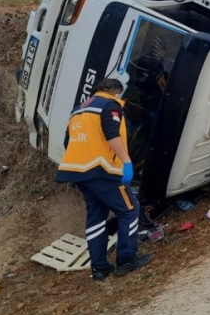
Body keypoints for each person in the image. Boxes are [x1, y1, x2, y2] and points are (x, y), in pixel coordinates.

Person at [56, 78, 154, 281]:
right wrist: (126, 161)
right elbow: (112, 134)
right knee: (129, 210)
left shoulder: (79, 110)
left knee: (96, 216)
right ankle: (126, 259)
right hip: (102, 170)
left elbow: (68, 141)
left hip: (78, 171)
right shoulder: (110, 105)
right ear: (116, 92)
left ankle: (99, 268)